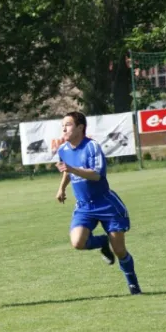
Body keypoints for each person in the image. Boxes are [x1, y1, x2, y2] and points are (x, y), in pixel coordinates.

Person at [56, 111, 142, 295]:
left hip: (106, 204)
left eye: (68, 124)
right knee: (77, 242)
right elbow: (66, 169)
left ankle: (133, 284)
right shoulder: (63, 149)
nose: (64, 127)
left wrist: (71, 169)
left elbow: (96, 175)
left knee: (120, 250)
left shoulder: (92, 146)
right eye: (62, 124)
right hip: (84, 206)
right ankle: (103, 242)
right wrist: (62, 187)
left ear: (80, 127)